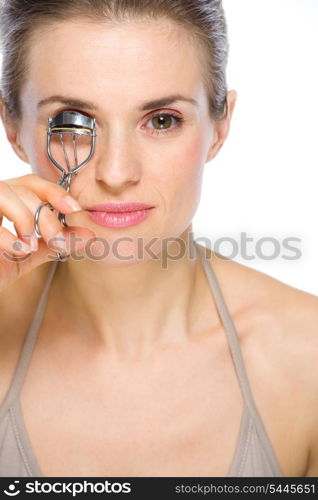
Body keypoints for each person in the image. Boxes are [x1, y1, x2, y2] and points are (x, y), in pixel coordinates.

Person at [0, 0, 317, 478]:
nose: (116, 172)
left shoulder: (306, 356)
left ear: (220, 127)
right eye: (73, 121)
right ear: (13, 129)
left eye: (162, 120)